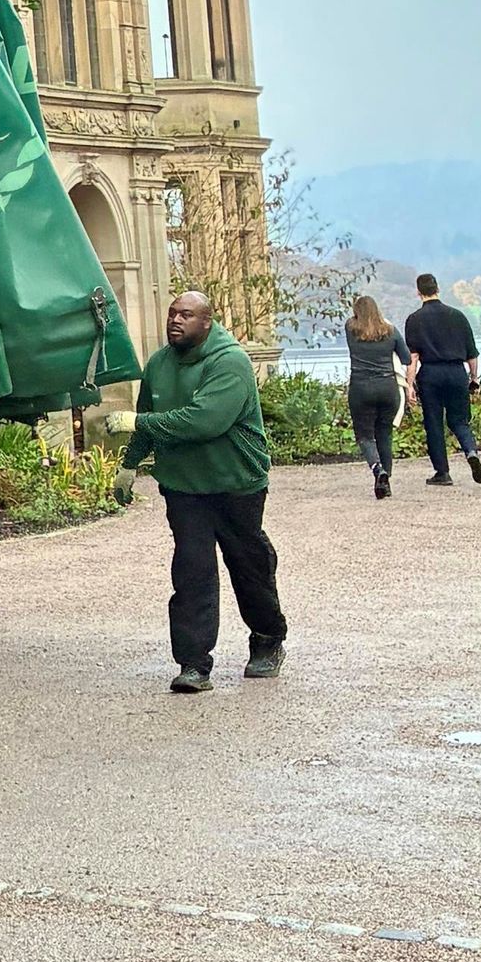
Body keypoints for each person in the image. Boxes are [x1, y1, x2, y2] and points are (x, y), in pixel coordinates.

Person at [127, 285, 285, 696]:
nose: (175, 321)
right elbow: (148, 417)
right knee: (192, 571)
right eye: (172, 313)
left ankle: (268, 639)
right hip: (183, 486)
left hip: (236, 483)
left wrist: (138, 425)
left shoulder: (230, 363)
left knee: (248, 564)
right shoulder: (159, 364)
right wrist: (128, 465)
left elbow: (204, 422)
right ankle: (193, 664)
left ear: (207, 321)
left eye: (186, 315)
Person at [400, 273, 481, 488]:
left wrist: (409, 385)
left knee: (434, 423)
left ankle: (442, 472)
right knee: (459, 420)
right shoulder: (458, 316)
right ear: (438, 289)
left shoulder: (414, 319)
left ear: (418, 292)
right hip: (457, 372)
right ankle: (471, 452)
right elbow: (472, 355)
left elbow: (413, 358)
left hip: (431, 375)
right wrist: (473, 378)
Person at [344, 292, 404, 497]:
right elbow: (405, 357)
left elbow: (356, 322)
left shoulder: (350, 329)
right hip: (388, 388)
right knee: (385, 434)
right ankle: (386, 483)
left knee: (365, 436)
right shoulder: (391, 331)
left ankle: (378, 470)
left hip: (361, 389)